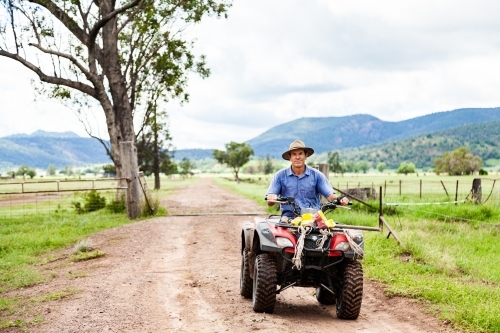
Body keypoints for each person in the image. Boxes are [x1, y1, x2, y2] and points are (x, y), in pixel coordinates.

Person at [266, 139, 348, 220]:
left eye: (300, 153)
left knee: (329, 231)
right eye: (294, 154)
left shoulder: (317, 175)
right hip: (288, 218)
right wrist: (272, 197)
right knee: (280, 230)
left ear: (306, 156)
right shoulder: (280, 176)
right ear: (289, 157)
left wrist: (340, 199)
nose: (297, 157)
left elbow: (330, 196)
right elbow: (270, 202)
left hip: (314, 218)